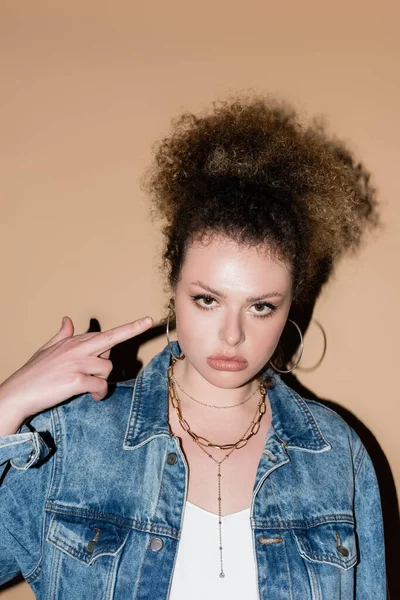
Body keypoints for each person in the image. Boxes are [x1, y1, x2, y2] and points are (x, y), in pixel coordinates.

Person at [0, 95, 386, 600]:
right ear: (174, 289)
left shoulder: (337, 455)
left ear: (292, 306)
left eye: (261, 307)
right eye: (207, 299)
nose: (232, 335)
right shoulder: (74, 436)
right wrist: (5, 405)